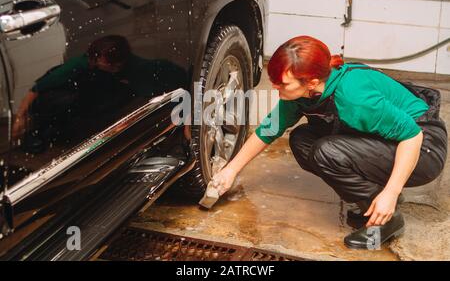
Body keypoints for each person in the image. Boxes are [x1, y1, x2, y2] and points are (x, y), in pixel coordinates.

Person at [212, 36, 447, 249]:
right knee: (302, 140)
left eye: (283, 83)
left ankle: (388, 220)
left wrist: (391, 193)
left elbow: (412, 136)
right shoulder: (302, 93)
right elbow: (269, 129)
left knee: (327, 152)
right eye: (274, 80)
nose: (275, 87)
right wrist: (230, 170)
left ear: (311, 82)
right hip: (388, 140)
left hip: (424, 147)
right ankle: (371, 202)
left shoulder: (355, 98)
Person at [12, 35, 187, 152]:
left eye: (101, 62)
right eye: (95, 60)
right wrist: (20, 115)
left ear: (116, 65)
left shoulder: (141, 72)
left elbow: (153, 98)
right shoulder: (85, 63)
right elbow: (39, 87)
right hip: (71, 103)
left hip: (122, 99)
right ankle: (45, 133)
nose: (96, 63)